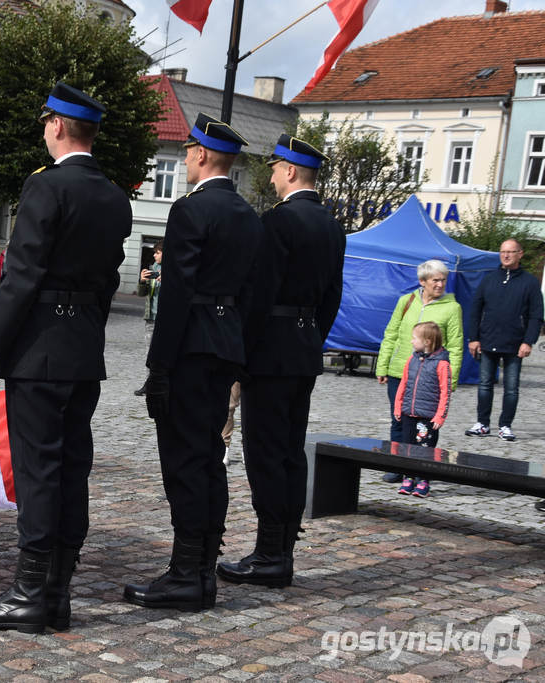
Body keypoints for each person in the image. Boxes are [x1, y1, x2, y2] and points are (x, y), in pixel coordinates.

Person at [0, 83, 131, 633]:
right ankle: (57, 591)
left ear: (58, 125)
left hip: (38, 353)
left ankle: (29, 594)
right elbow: (107, 282)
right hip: (82, 351)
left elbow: (21, 280)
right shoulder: (113, 194)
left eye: (45, 122)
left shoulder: (46, 187)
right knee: (71, 471)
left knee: (38, 473)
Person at [123, 113, 262, 613]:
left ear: (201, 154)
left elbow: (177, 294)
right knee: (208, 460)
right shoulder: (248, 215)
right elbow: (252, 293)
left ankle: (186, 575)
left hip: (189, 349)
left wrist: (158, 367)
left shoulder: (191, 210)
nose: (185, 159)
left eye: (186, 152)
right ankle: (201, 570)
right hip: (225, 346)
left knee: (183, 462)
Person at [216, 135, 345, 589]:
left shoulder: (279, 222)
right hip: (304, 348)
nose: (271, 176)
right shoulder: (332, 224)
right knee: (290, 451)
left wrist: (242, 352)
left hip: (270, 350)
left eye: (274, 168)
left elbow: (258, 295)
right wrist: (310, 338)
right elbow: (333, 296)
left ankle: (270, 554)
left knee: (266, 455)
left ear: (290, 171)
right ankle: (282, 549)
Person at [374, 259, 462, 483]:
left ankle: (421, 469)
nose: (440, 284)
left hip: (431, 377)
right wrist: (382, 365)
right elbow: (391, 333)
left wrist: (451, 378)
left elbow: (455, 344)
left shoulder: (452, 308)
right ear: (422, 281)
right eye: (435, 280)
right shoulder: (406, 301)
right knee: (398, 421)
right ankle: (397, 465)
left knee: (425, 426)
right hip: (400, 371)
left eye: (443, 279)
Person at [464, 239, 543, 442]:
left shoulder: (530, 282)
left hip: (515, 345)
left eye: (511, 252)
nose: (506, 255)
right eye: (503, 252)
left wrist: (528, 341)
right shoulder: (489, 279)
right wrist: (473, 338)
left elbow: (536, 315)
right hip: (488, 340)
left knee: (511, 388)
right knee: (484, 385)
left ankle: (505, 425)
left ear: (520, 254)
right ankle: (482, 423)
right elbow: (475, 310)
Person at [393, 321, 451, 498]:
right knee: (407, 447)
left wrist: (440, 416)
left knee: (425, 450)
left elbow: (445, 392)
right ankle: (408, 477)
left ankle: (424, 480)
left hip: (428, 417)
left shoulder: (442, 364)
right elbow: (404, 383)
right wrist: (398, 406)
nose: (411, 341)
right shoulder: (412, 359)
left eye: (414, 338)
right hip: (409, 413)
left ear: (427, 341)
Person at [137, 240, 163, 348]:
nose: (154, 255)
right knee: (149, 349)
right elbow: (142, 293)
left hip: (165, 317)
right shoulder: (154, 267)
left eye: (157, 252)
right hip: (151, 316)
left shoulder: (175, 270)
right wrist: (142, 280)